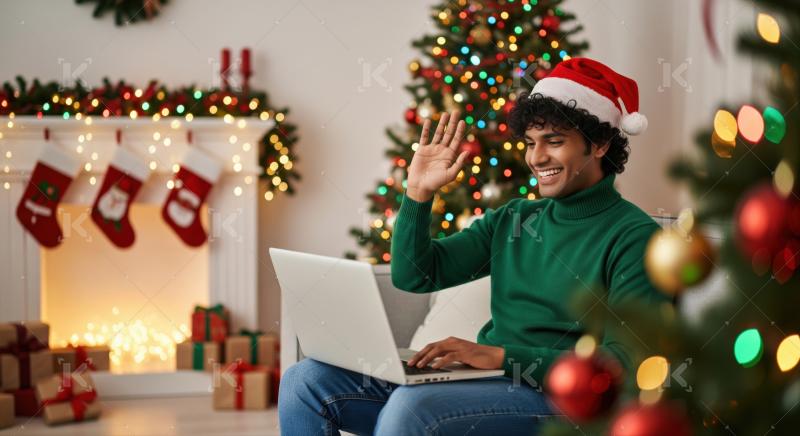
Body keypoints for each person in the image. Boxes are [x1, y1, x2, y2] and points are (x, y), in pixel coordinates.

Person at [279, 57, 671, 435]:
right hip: (489, 382)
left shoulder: (633, 236)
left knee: (414, 409)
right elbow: (415, 274)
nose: (537, 157)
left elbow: (623, 367)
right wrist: (417, 193)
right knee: (306, 382)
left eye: (554, 141)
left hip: (558, 401)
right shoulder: (516, 219)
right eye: (531, 142)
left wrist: (502, 357)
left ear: (600, 143)